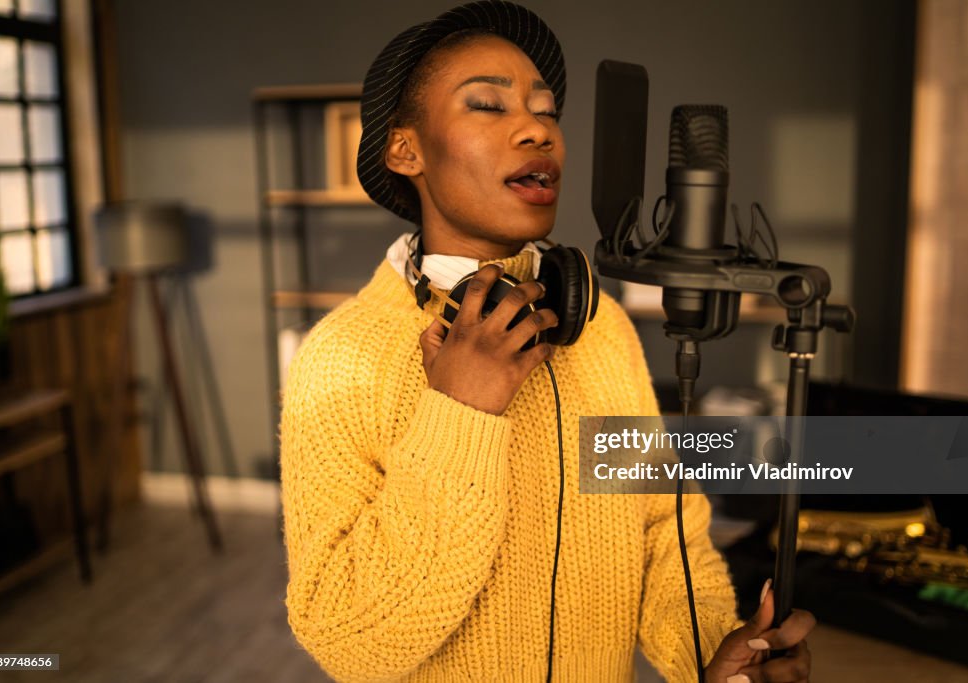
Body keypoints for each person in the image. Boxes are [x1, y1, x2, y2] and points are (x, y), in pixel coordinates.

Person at [280, 2, 815, 681]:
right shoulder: (340, 359)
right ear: (406, 149)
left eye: (547, 111)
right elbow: (347, 640)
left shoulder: (600, 329)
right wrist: (459, 415)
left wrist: (713, 649)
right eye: (488, 106)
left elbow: (661, 534)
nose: (537, 128)